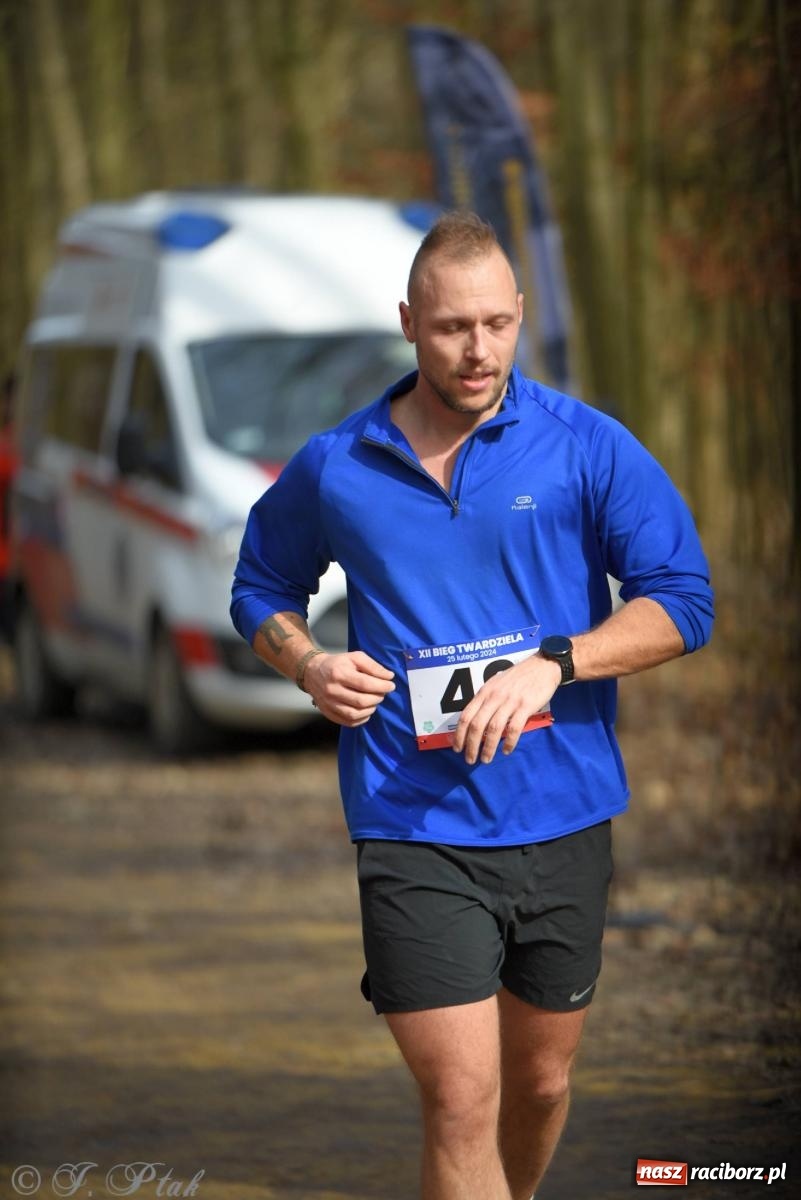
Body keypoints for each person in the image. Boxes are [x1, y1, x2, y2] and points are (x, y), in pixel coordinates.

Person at [231, 211, 713, 1200]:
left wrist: (557, 664)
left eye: (497, 323)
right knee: (460, 1098)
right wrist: (308, 665)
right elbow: (259, 588)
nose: (479, 349)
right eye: (453, 327)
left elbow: (682, 602)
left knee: (538, 1086)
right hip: (411, 821)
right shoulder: (337, 463)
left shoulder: (585, 446)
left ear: (520, 313)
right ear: (409, 322)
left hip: (562, 812)